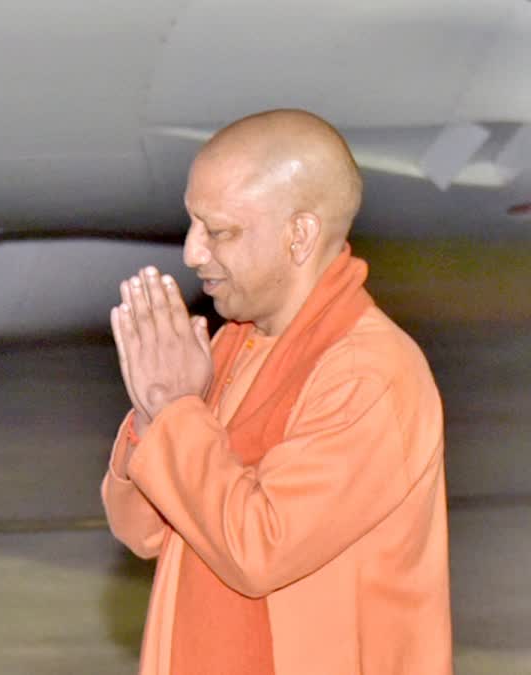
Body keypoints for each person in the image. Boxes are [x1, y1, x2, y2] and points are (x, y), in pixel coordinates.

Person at [101, 109, 451, 674]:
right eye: (192, 224)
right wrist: (150, 415)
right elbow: (143, 531)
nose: (192, 253)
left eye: (220, 231)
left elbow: (259, 550)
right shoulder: (230, 346)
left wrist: (175, 412)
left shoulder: (369, 375)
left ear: (300, 235)